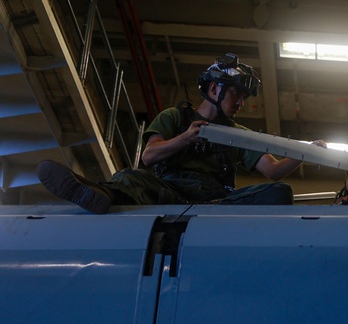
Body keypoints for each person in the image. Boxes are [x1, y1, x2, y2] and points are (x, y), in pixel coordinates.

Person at [38, 53, 323, 213]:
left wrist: (306, 151)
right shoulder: (174, 117)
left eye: (244, 97)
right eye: (236, 92)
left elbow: (272, 171)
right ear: (214, 89)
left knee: (279, 193)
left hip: (216, 200)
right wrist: (185, 138)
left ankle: (100, 194)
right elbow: (149, 156)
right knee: (130, 178)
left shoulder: (239, 133)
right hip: (169, 190)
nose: (240, 103)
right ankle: (95, 193)